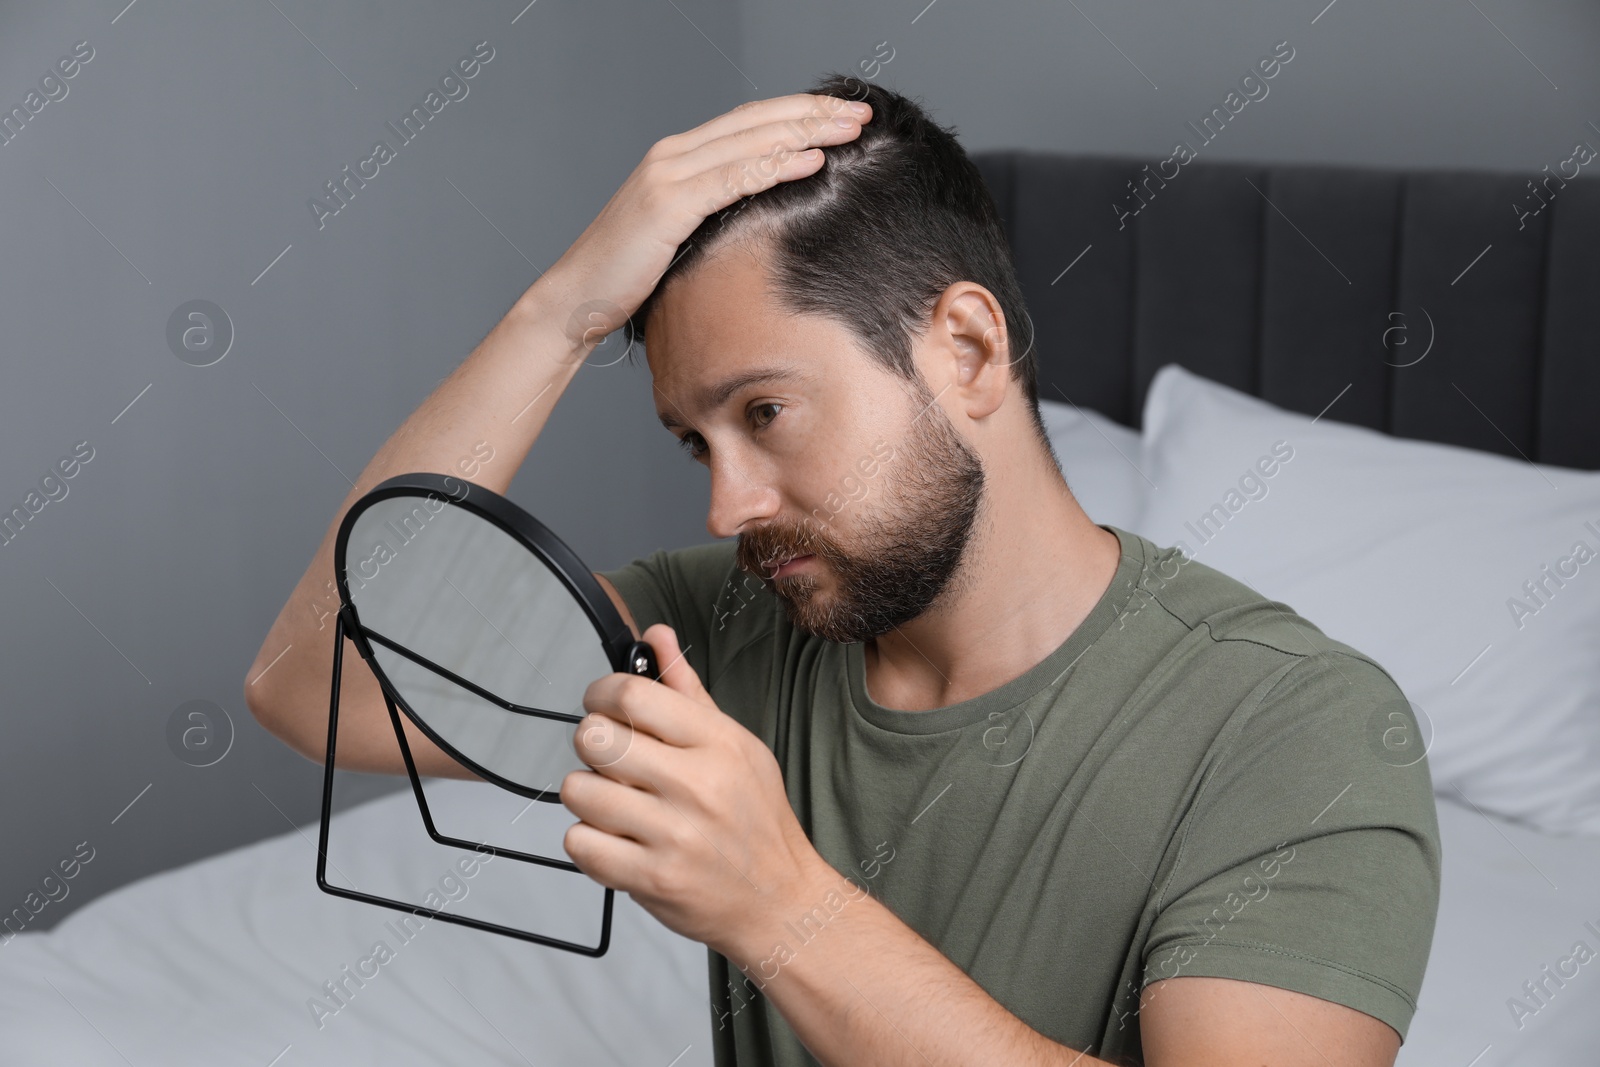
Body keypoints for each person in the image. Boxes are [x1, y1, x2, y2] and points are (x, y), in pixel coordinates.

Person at [246, 72, 1441, 1067]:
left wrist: (779, 904)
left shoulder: (1299, 729)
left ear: (965, 347)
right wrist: (553, 316)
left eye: (765, 410)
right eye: (693, 442)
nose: (727, 504)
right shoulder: (717, 631)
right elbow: (309, 683)